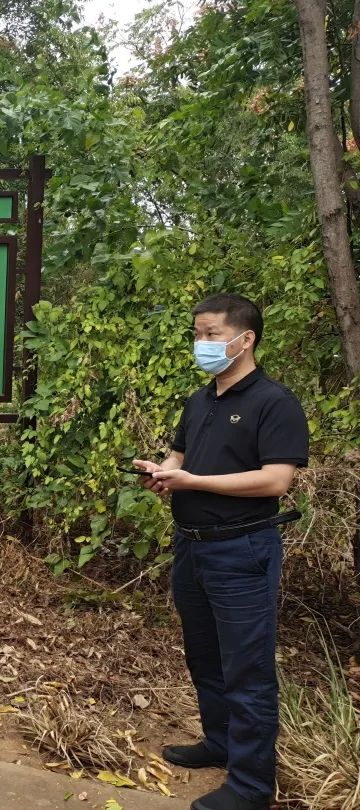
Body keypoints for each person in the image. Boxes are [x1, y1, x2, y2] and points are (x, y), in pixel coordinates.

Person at [134, 293, 308, 810]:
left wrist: (195, 481)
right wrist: (163, 473)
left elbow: (276, 480)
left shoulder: (274, 402)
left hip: (242, 549)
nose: (201, 343)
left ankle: (251, 786)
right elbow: (180, 456)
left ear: (245, 339)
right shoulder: (201, 399)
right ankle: (220, 742)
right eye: (197, 334)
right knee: (205, 654)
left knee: (246, 668)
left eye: (211, 334)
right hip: (191, 547)